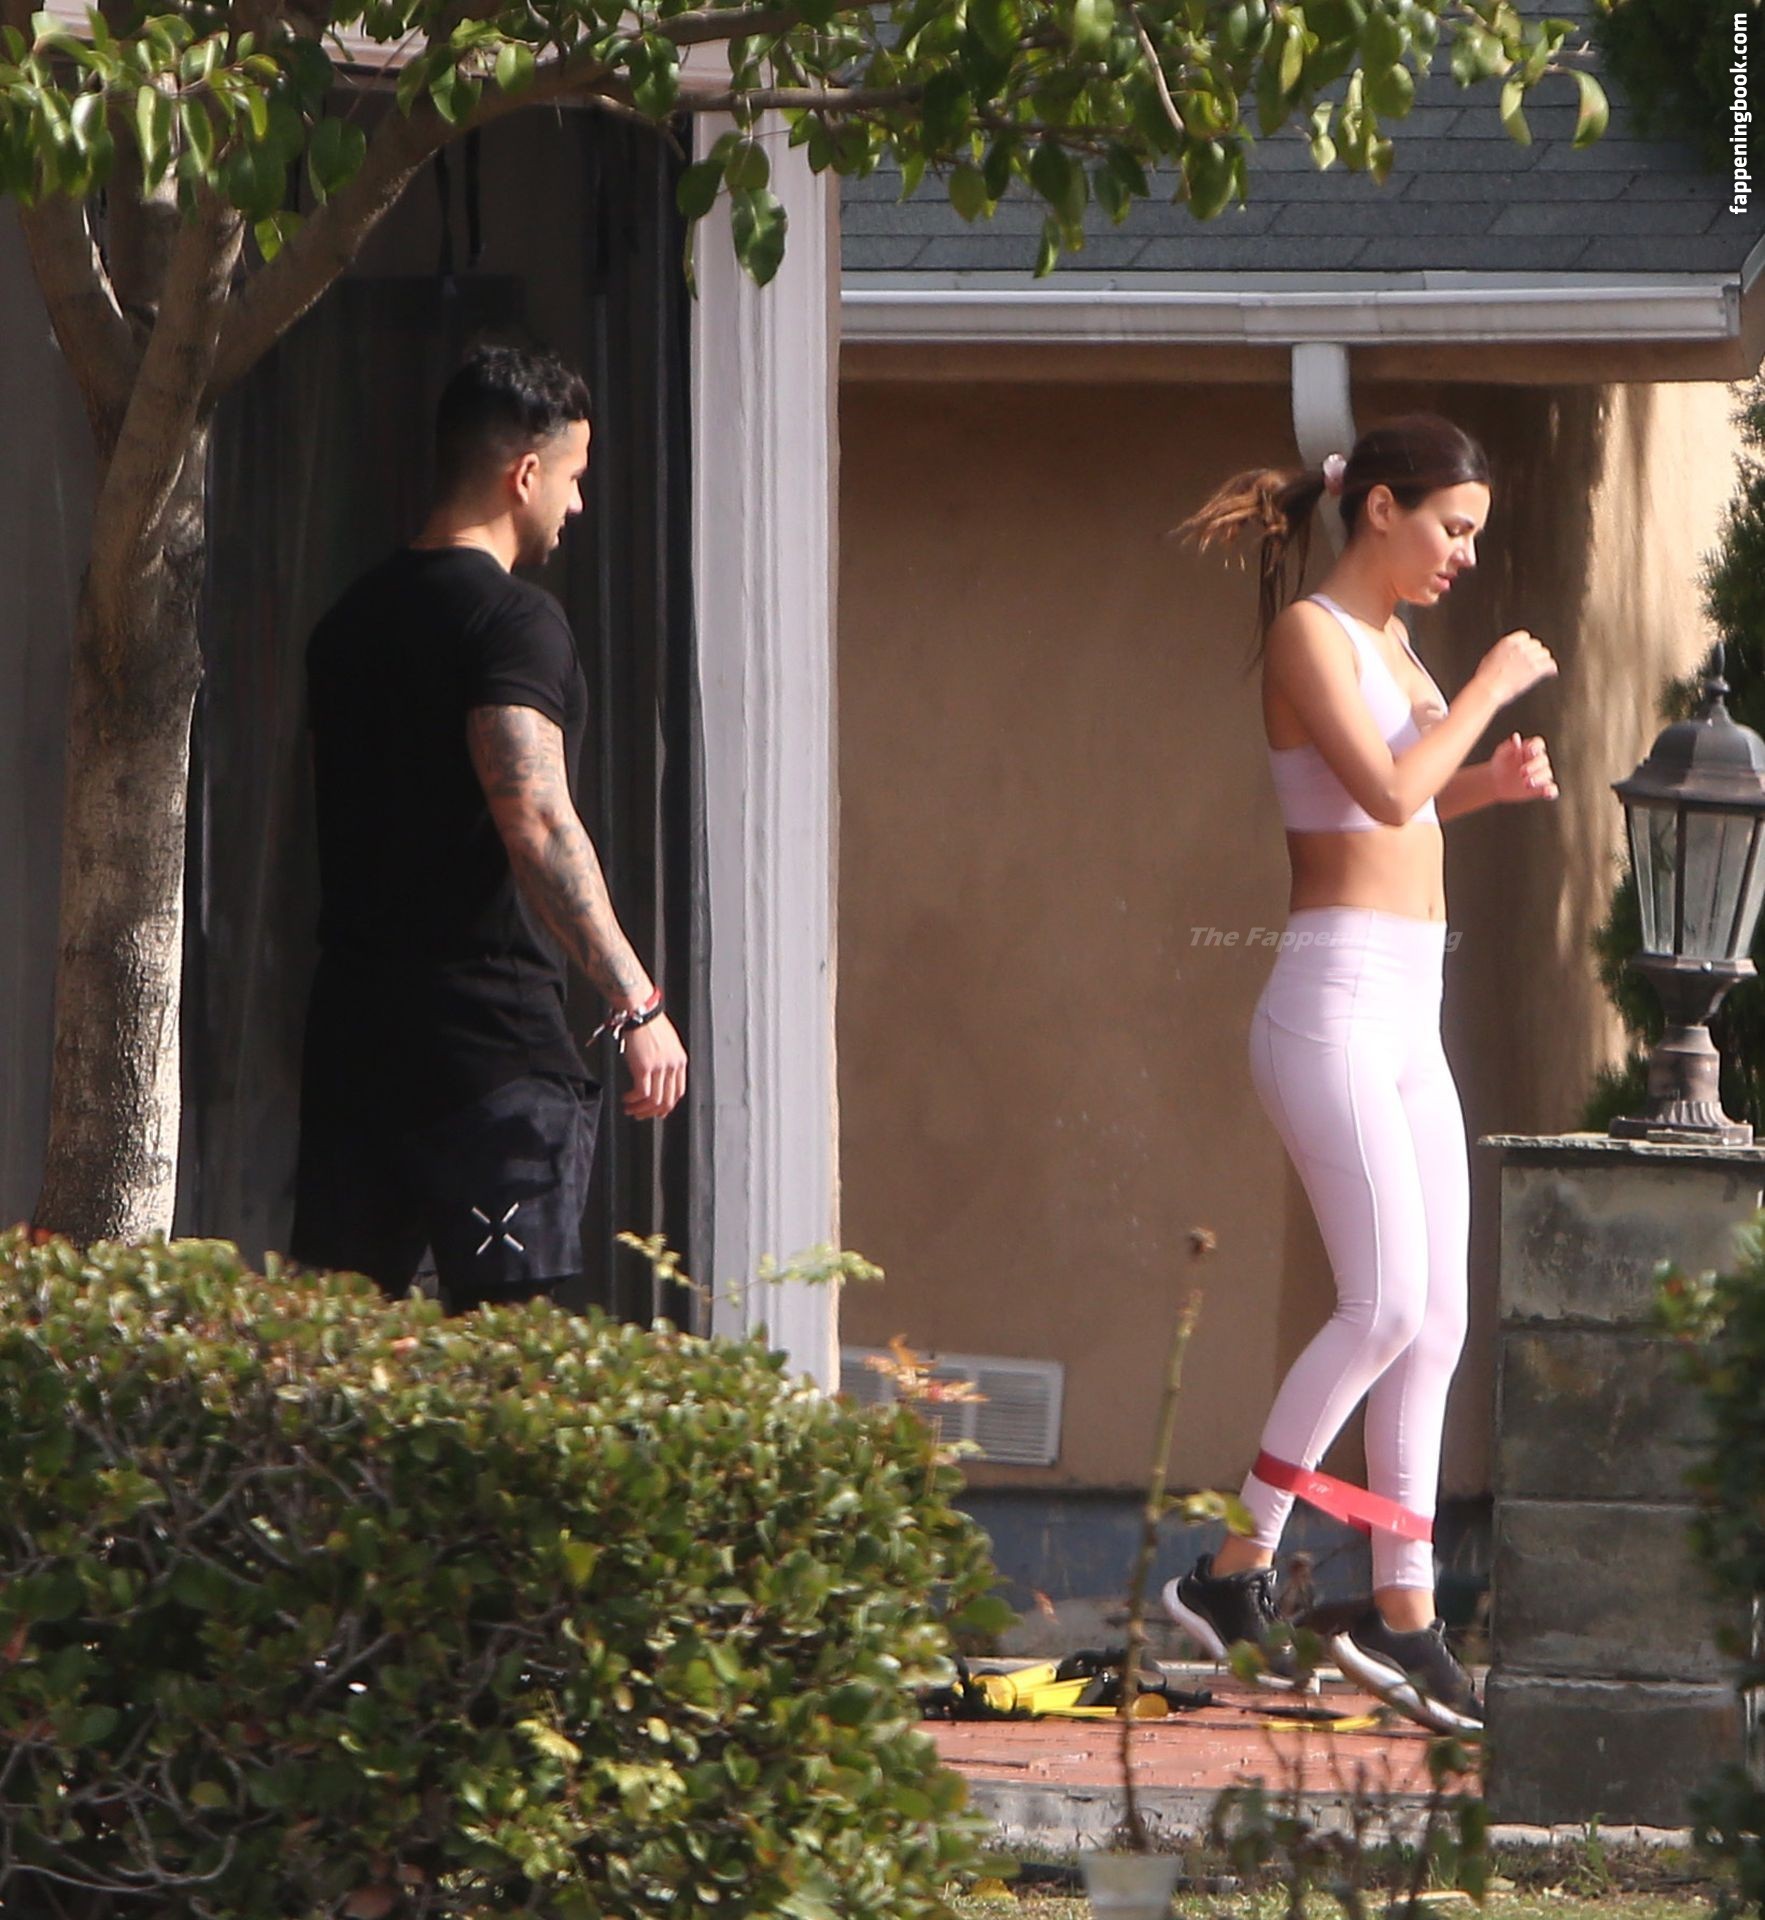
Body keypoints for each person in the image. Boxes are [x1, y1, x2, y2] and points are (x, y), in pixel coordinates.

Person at [1162, 416, 1558, 1734]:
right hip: (1328, 1005)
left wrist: (1487, 783)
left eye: (1474, 536)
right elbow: (1384, 796)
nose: (1463, 555)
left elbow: (1409, 799)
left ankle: (1404, 1614)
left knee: (1434, 1320)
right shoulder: (1311, 636)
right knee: (1378, 1304)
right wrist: (1489, 690)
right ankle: (1231, 1570)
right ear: (1378, 508)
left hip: (1406, 1013)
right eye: (1452, 528)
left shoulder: (1393, 646)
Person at [289, 343, 686, 1315]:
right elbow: (536, 818)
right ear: (524, 474)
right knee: (510, 1362)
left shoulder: (346, 623)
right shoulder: (512, 623)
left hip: (354, 1048)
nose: (577, 505)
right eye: (574, 478)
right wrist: (635, 1003)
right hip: (487, 1050)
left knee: (342, 1356)